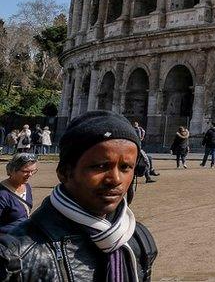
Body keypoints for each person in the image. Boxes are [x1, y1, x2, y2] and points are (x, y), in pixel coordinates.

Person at [0, 110, 157, 280]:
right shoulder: (15, 256)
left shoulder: (139, 239)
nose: (115, 179)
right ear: (65, 172)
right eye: (101, 166)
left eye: (125, 167)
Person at [0, 154, 37, 234]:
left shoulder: (27, 187)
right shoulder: (2, 194)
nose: (30, 175)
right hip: (7, 241)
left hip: (22, 238)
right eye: (26, 171)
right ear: (13, 170)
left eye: (33, 171)